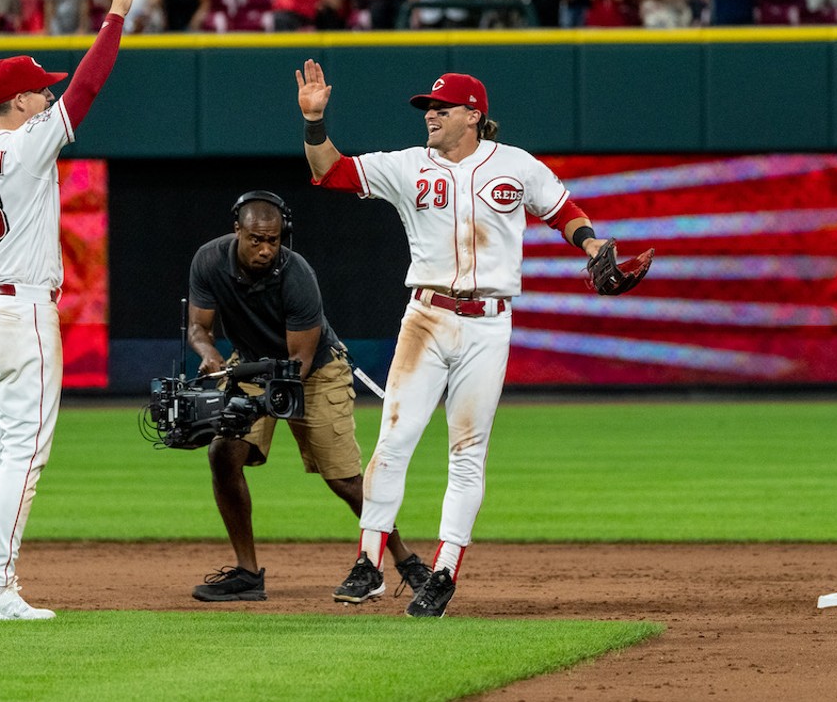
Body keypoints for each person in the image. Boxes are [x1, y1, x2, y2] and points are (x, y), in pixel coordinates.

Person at [295, 59, 618, 617]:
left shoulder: (514, 165)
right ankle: (370, 562)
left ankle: (443, 573)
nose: (431, 116)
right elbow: (329, 171)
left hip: (489, 324)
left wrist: (592, 248)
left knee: (467, 454)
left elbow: (563, 210)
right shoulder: (407, 166)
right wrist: (315, 123)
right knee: (394, 441)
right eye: (428, 108)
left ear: (474, 115)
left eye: (441, 108)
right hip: (426, 317)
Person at [0, 0, 138, 622]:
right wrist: (116, 14)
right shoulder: (28, 146)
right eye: (38, 92)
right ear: (19, 101)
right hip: (21, 315)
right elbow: (90, 84)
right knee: (23, 453)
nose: (49, 97)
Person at [186, 192, 432, 603]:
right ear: (237, 232)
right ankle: (247, 574)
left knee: (345, 480)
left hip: (315, 373)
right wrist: (209, 354)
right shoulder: (209, 261)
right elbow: (198, 328)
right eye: (256, 240)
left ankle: (402, 559)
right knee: (222, 454)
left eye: (274, 240)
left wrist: (256, 403)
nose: (266, 249)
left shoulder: (296, 274)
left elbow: (298, 362)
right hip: (250, 365)